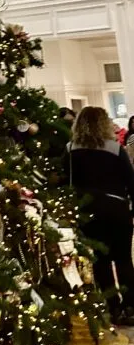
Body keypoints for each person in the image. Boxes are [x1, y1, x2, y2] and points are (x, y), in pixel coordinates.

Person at [68, 106, 134, 324]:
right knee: (123, 259)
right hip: (116, 209)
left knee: (101, 262)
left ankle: (113, 306)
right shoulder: (115, 149)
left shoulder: (70, 149)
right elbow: (130, 181)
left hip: (88, 212)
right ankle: (131, 306)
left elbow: (66, 182)